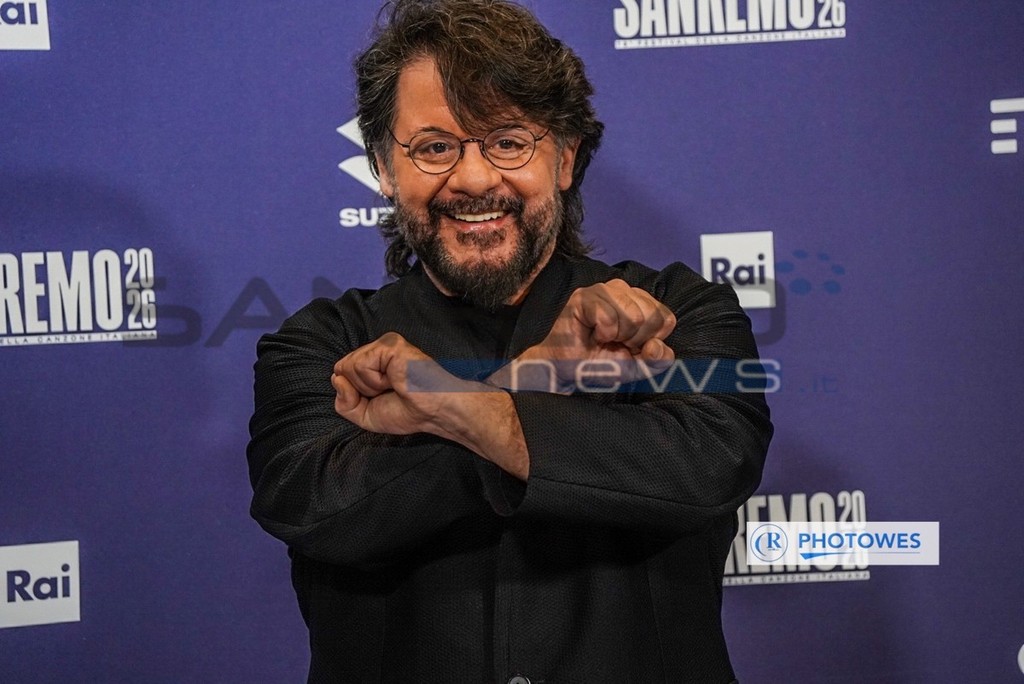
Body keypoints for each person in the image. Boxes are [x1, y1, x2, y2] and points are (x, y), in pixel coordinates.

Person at [247, 0, 772, 681]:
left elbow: (705, 469)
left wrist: (457, 409)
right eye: (435, 147)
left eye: (508, 141)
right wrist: (534, 380)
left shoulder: (678, 312)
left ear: (565, 158)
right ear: (383, 167)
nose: (473, 178)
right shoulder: (320, 345)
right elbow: (317, 506)